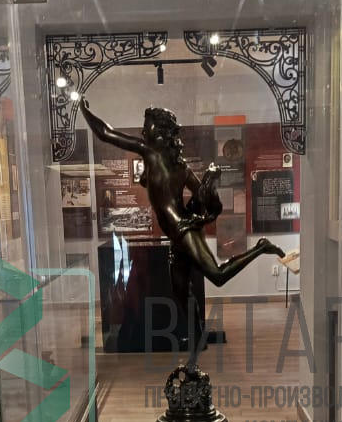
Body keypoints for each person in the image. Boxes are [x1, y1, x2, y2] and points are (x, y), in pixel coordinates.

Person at [81, 98, 285, 328]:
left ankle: (261, 247)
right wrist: (207, 200)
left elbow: (105, 133)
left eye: (147, 127)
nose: (143, 131)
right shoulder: (177, 165)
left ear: (160, 132)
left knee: (218, 276)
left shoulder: (151, 152)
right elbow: (212, 205)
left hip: (183, 229)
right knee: (181, 293)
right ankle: (194, 342)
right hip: (176, 236)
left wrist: (83, 110)